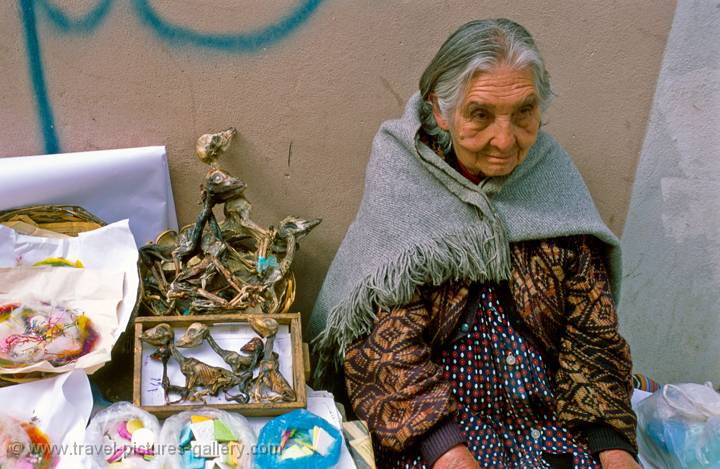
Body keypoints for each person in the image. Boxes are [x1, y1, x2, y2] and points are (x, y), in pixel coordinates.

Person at [308, 18, 640, 469]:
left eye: (524, 113)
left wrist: (614, 449)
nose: (505, 141)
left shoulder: (550, 174)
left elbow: (592, 330)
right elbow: (382, 345)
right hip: (435, 424)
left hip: (547, 412)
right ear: (440, 110)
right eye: (480, 114)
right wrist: (449, 451)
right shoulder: (405, 175)